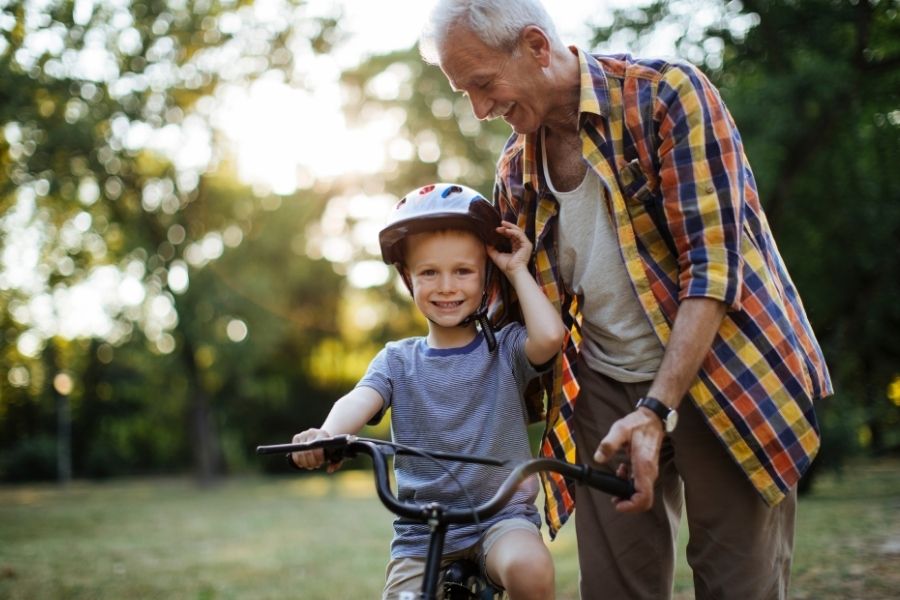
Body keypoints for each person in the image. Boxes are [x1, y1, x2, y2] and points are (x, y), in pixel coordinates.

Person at [420, 2, 833, 599]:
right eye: (467, 93)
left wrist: (656, 410)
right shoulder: (516, 170)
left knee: (739, 583)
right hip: (604, 384)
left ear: (536, 46)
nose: (481, 110)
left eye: (484, 84)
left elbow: (714, 268)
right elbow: (507, 319)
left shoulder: (665, 96)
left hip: (722, 366)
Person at [290, 183, 566, 600]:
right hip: (422, 531)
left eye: (463, 271)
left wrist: (515, 270)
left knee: (531, 568)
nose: (446, 286)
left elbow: (549, 337)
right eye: (429, 273)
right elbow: (358, 400)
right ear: (408, 279)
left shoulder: (505, 348)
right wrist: (326, 435)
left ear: (486, 274)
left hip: (501, 519)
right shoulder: (396, 361)